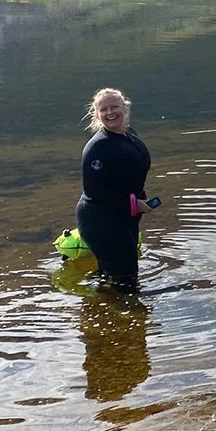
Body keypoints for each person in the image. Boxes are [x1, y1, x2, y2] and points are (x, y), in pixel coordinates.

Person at [76, 88, 155, 293]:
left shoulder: (130, 135)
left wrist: (138, 201)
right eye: (104, 109)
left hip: (124, 217)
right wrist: (132, 203)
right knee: (125, 281)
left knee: (117, 276)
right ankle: (122, 317)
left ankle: (97, 311)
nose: (110, 112)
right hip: (100, 220)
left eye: (114, 107)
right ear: (96, 113)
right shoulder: (98, 147)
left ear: (125, 108)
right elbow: (93, 191)